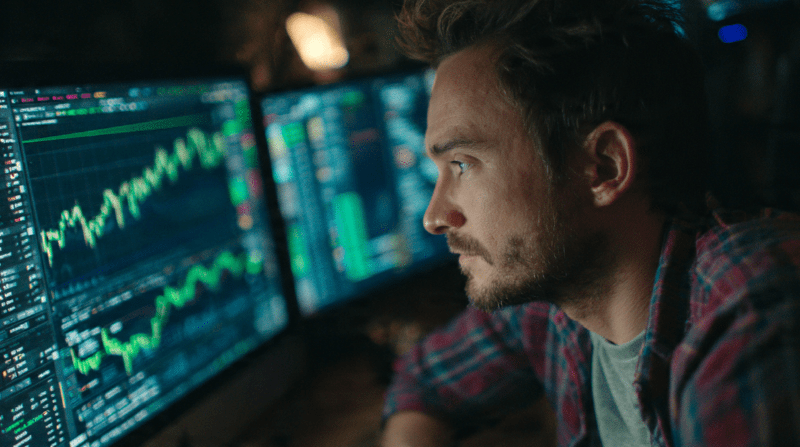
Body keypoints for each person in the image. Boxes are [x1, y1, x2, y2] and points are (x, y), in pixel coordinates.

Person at [379, 0, 800, 446]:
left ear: (603, 166)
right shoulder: (555, 301)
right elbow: (423, 384)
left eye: (462, 164)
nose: (434, 217)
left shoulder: (754, 317)